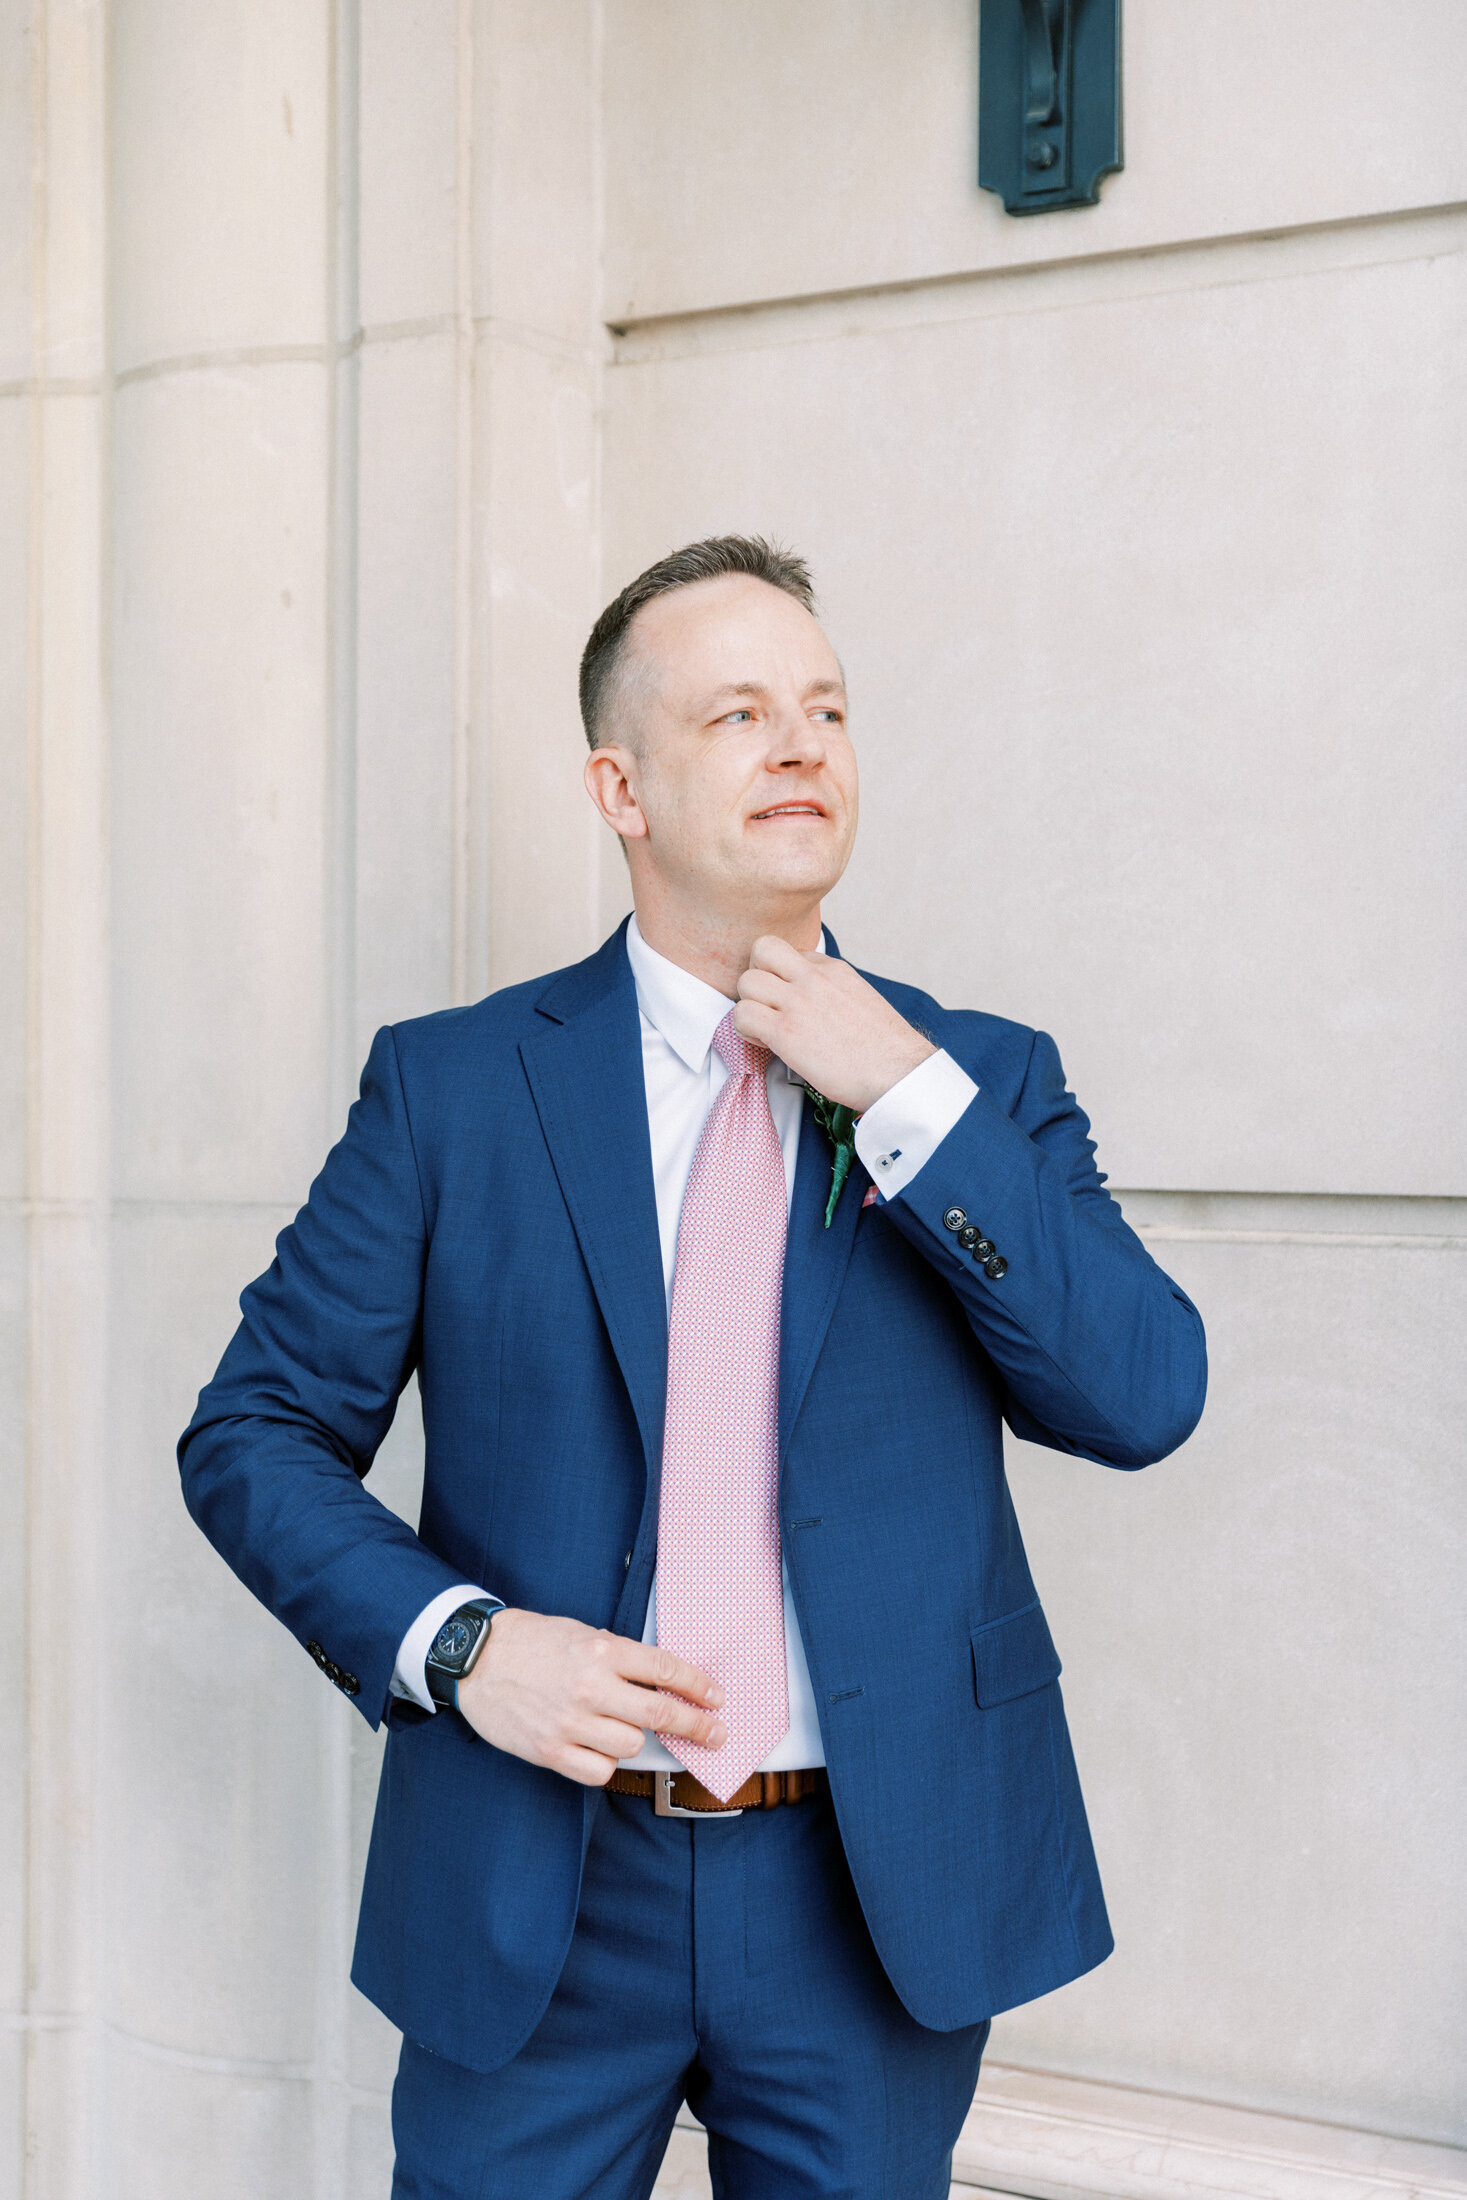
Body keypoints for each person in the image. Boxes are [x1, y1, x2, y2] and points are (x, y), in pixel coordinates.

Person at [180, 535, 1206, 2200]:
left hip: (870, 1895)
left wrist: (908, 1101)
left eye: (826, 707)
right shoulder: (452, 1092)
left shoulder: (981, 1084)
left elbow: (1144, 1397)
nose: (803, 742)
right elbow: (256, 1431)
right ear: (622, 787)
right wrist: (465, 1647)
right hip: (542, 1880)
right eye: (739, 713)